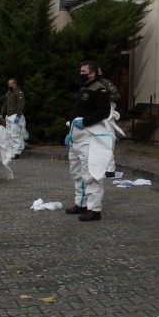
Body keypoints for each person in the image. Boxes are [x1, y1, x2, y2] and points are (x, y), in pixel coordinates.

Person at [64, 61, 114, 222]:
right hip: (76, 137)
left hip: (88, 137)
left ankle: (94, 209)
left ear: (92, 73)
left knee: (91, 174)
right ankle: (81, 203)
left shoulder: (100, 90)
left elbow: (104, 112)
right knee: (77, 172)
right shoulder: (84, 88)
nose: (80, 73)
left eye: (83, 71)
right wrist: (70, 131)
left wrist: (85, 122)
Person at [0, 78, 28, 159]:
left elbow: (21, 104)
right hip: (8, 116)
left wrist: (18, 115)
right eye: (8, 84)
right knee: (8, 134)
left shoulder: (19, 93)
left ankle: (17, 152)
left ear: (15, 84)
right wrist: (2, 113)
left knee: (15, 134)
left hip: (16, 116)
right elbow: (5, 104)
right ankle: (11, 150)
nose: (9, 86)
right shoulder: (8, 93)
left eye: (10, 84)